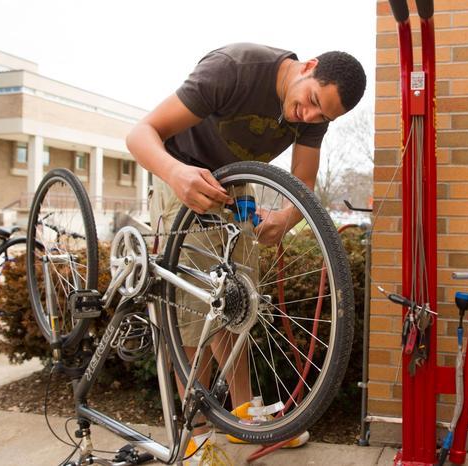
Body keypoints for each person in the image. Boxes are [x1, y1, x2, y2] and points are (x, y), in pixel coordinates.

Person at [127, 42, 366, 462]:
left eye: (322, 116)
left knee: (237, 305)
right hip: (182, 175)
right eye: (311, 102)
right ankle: (194, 436)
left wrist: (286, 217)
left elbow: (303, 181)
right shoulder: (234, 70)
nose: (309, 117)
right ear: (307, 67)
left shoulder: (315, 112)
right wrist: (176, 174)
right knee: (189, 313)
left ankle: (243, 420)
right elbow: (140, 134)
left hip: (236, 187)